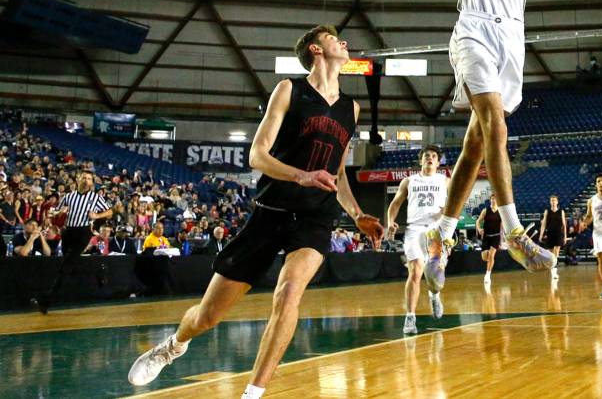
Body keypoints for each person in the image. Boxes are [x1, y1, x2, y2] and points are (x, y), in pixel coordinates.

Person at [128, 25, 384, 399]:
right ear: (316, 49)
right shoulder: (289, 90)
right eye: (334, 38)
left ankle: (252, 394)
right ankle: (172, 347)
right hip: (271, 210)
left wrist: (357, 214)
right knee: (208, 316)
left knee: (289, 292)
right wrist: (302, 175)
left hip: (315, 217)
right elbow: (257, 156)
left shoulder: (352, 108)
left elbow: (339, 174)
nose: (343, 42)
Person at [420, 0, 554, 292]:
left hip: (512, 36)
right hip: (473, 29)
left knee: (476, 143)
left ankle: (442, 234)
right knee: (496, 123)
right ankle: (514, 231)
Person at [385, 144, 447, 335]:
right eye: (426, 155)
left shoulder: (445, 180)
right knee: (415, 271)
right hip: (414, 229)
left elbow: (457, 201)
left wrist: (448, 211)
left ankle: (434, 295)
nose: (430, 158)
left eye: (434, 156)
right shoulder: (409, 181)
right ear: (421, 160)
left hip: (435, 231)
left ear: (438, 162)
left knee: (434, 275)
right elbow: (395, 203)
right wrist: (390, 222)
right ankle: (410, 317)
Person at [33, 170, 111, 313]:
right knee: (70, 263)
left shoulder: (95, 197)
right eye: (84, 178)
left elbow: (110, 212)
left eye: (89, 179)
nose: (86, 180)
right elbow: (56, 211)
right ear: (78, 179)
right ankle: (98, 271)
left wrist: (96, 215)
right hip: (68, 231)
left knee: (66, 267)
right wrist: (54, 214)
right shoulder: (69, 196)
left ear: (91, 182)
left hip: (83, 232)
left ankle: (46, 301)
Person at [475, 193, 502, 286]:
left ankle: (487, 274)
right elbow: (478, 221)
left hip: (496, 237)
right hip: (486, 236)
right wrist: (479, 229)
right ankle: (490, 263)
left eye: (495, 199)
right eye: (492, 199)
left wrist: (502, 240)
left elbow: (502, 227)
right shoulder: (485, 210)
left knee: (491, 255)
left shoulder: (500, 211)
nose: (493, 200)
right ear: (490, 200)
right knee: (484, 257)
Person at [539, 194, 567, 280]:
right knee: (551, 255)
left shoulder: (561, 211)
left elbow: (564, 225)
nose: (553, 202)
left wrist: (565, 236)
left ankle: (554, 272)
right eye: (552, 200)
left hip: (558, 234)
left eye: (554, 200)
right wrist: (541, 234)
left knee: (556, 254)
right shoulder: (547, 211)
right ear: (550, 202)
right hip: (550, 234)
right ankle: (552, 271)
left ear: (557, 202)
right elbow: (543, 224)